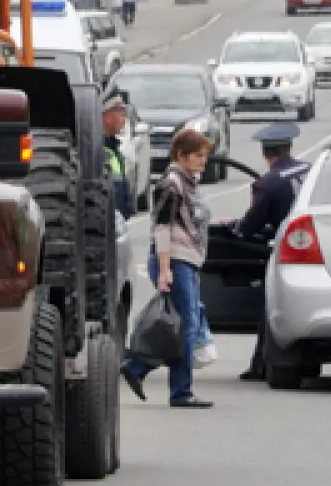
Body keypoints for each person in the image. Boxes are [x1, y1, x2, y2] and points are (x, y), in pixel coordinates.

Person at [120, 126, 213, 409]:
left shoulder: (186, 182)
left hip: (186, 259)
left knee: (178, 324)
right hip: (175, 260)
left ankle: (137, 368)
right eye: (198, 155)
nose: (203, 161)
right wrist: (164, 268)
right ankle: (180, 391)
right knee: (185, 326)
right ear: (182, 155)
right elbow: (162, 228)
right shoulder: (171, 184)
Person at [231, 122, 312, 381]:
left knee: (271, 306)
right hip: (316, 247)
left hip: (286, 250)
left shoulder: (268, 184)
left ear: (266, 154)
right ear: (289, 148)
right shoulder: (310, 171)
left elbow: (249, 226)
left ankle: (261, 364)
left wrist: (234, 227)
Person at [101, 88, 134, 218]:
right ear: (106, 116)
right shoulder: (99, 153)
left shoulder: (113, 148)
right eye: (121, 113)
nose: (124, 119)